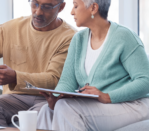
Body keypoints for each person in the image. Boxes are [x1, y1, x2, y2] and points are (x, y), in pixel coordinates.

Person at [37, 0, 149, 130]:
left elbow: (145, 80)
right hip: (100, 106)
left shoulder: (124, 37)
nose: (71, 12)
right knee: (47, 110)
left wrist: (107, 96)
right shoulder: (78, 39)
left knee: (66, 108)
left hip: (132, 105)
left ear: (93, 8)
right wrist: (55, 97)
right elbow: (67, 82)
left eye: (76, 6)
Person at [0, 0, 77, 126]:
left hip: (47, 99)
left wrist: (15, 77)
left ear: (61, 7)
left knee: (41, 114)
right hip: (13, 98)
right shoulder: (9, 28)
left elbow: (53, 80)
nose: (38, 12)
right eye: (35, 3)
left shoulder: (71, 37)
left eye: (46, 7)